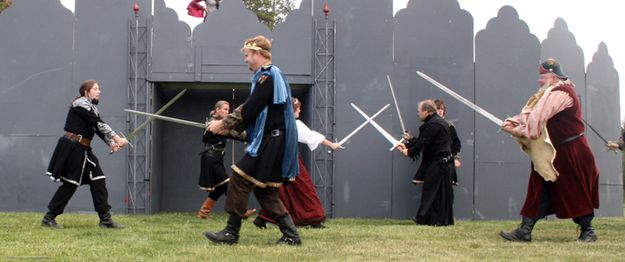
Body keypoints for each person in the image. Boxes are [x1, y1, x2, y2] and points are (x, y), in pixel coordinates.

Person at [203, 35, 301, 245]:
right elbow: (256, 116)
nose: (245, 59)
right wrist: (227, 129)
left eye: (247, 55)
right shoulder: (267, 77)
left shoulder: (269, 76)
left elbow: (252, 107)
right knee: (265, 189)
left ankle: (231, 232)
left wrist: (224, 123)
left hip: (272, 141)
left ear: (257, 53)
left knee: (239, 179)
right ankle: (291, 235)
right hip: (272, 139)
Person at [500, 59, 600, 242]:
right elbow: (530, 113)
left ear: (553, 77)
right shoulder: (547, 93)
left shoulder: (561, 93)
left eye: (542, 76)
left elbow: (537, 119)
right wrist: (513, 121)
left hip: (572, 152)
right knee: (538, 186)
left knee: (576, 190)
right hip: (551, 151)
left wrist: (516, 130)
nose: (539, 80)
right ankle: (525, 230)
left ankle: (588, 231)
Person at [42, 80, 129, 229]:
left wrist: (112, 144)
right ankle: (49, 218)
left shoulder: (92, 109)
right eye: (95, 89)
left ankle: (105, 220)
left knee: (98, 179)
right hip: (72, 147)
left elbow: (97, 129)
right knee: (70, 184)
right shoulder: (81, 105)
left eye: (99, 89)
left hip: (84, 150)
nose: (99, 91)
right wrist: (117, 138)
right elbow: (98, 123)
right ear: (86, 92)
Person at [253, 98, 342, 229]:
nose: (300, 110)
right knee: (305, 189)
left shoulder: (276, 123)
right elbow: (311, 136)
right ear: (292, 109)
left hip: (277, 161)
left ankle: (264, 218)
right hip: (290, 161)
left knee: (282, 191)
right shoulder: (294, 124)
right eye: (298, 108)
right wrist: (332, 145)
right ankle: (314, 219)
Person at [396, 99, 454, 226]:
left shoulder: (434, 124)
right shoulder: (435, 123)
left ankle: (428, 220)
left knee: (432, 191)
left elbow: (422, 144)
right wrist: (407, 144)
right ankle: (433, 220)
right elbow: (423, 141)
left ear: (426, 111)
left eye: (419, 111)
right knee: (435, 192)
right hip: (440, 163)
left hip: (440, 163)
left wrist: (408, 152)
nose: (418, 114)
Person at [196, 100, 256, 220]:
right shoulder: (212, 123)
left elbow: (236, 134)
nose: (227, 112)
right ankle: (241, 211)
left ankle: (203, 213)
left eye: (228, 110)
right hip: (210, 158)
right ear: (217, 110)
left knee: (219, 189)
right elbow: (229, 133)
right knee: (228, 185)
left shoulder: (223, 124)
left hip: (217, 158)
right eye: (224, 109)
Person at [434, 99, 462, 186]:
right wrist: (410, 139)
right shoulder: (429, 125)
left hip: (446, 160)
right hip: (433, 162)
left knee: (446, 190)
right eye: (438, 109)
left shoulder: (449, 125)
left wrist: (456, 158)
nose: (440, 111)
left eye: (442, 109)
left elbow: (456, 143)